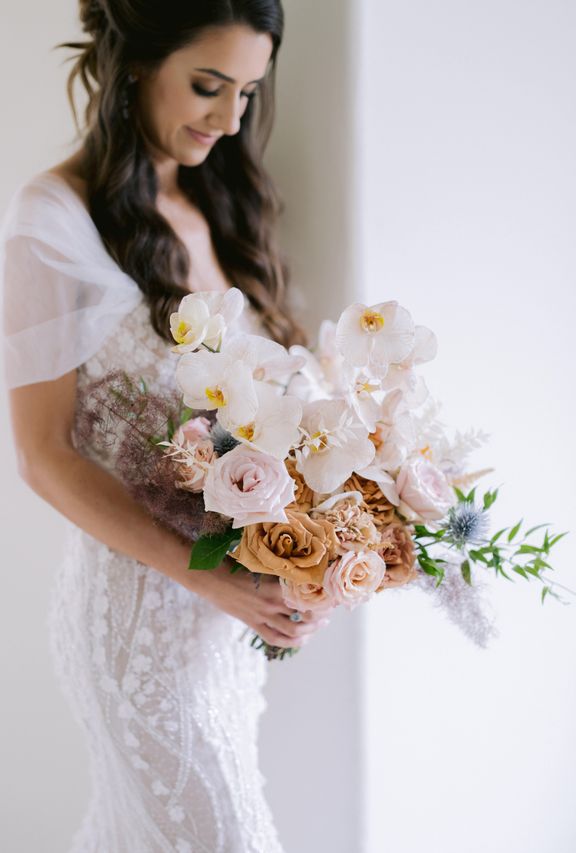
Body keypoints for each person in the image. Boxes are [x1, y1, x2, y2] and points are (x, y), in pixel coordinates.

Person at [2, 1, 331, 850]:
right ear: (140, 63)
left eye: (249, 93)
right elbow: (42, 457)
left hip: (224, 637)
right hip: (138, 631)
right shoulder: (53, 222)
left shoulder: (218, 201)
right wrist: (208, 575)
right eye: (208, 86)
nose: (228, 119)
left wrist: (319, 544)